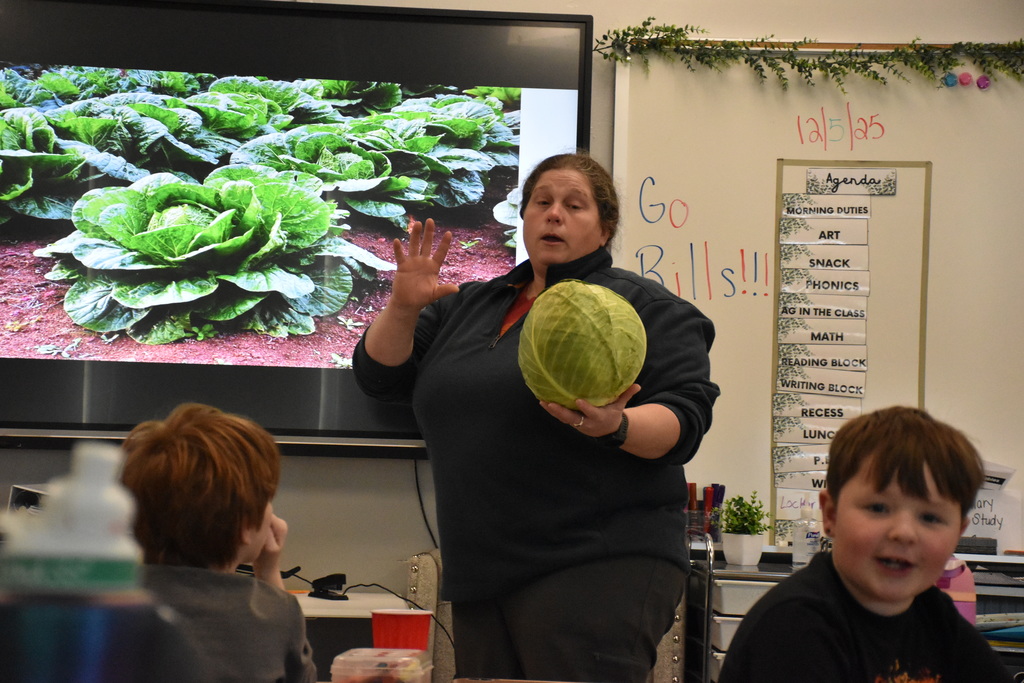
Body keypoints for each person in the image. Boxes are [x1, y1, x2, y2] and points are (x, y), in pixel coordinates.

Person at [353, 151, 719, 682]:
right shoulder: (470, 304)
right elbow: (380, 378)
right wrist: (404, 307)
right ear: (522, 217)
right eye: (541, 202)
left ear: (605, 226)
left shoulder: (645, 308)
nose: (554, 214)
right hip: (481, 572)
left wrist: (616, 426)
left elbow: (685, 420)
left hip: (594, 566)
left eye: (575, 205)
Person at [718, 406, 1013, 683]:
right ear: (831, 514)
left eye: (930, 517)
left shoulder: (936, 618)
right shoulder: (794, 626)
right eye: (878, 508)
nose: (904, 533)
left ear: (958, 534)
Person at [121, 403, 317, 683]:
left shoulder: (104, 602)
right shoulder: (276, 612)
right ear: (245, 528)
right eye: (267, 500)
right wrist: (269, 573)